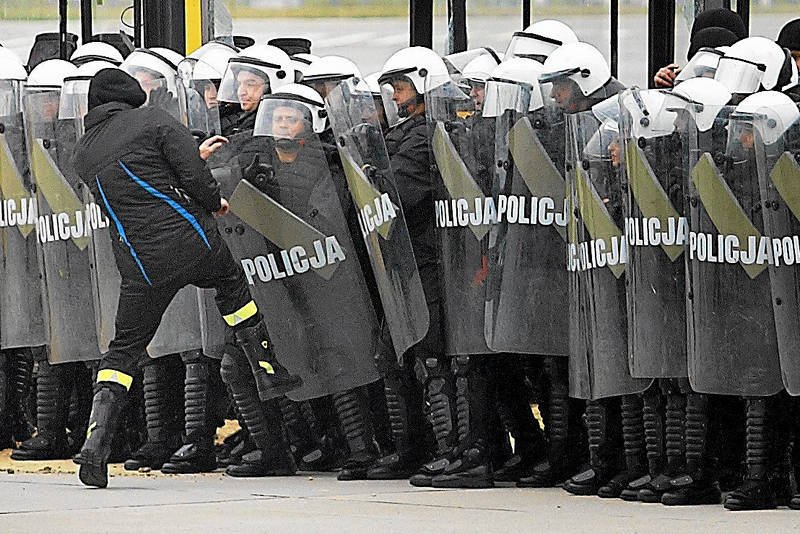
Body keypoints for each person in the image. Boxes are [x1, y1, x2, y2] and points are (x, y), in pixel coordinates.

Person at [70, 68, 301, 488]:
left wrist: (188, 155)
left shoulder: (82, 152)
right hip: (190, 239)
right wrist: (215, 202)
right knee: (231, 286)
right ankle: (268, 367)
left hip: (139, 263)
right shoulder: (154, 119)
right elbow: (190, 178)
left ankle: (95, 444)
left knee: (124, 351)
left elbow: (138, 178)